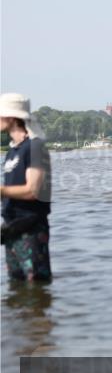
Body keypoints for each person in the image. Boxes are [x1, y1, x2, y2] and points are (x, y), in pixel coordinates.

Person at [1, 94, 52, 283]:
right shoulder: (11, 151)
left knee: (35, 287)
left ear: (12, 118)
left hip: (31, 229)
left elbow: (33, 191)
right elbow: (10, 191)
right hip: (11, 229)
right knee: (17, 289)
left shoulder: (35, 147)